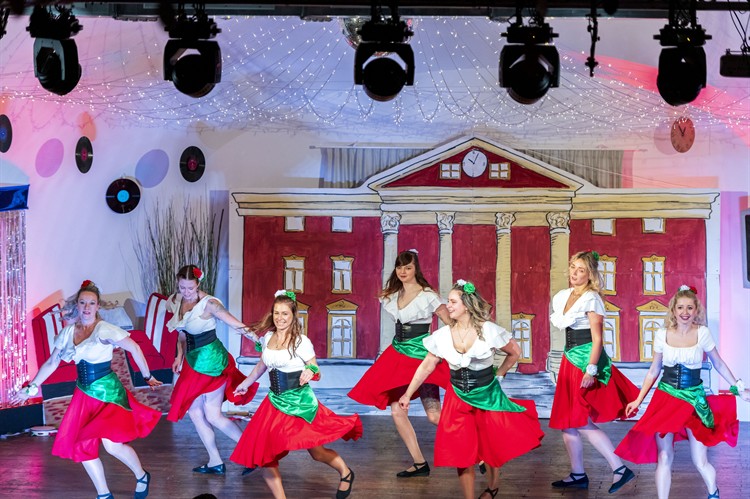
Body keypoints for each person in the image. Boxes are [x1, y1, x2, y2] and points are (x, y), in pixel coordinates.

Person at [15, 280, 163, 499]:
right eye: (83, 302)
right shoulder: (68, 332)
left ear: (97, 306)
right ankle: (104, 494)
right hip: (84, 395)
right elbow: (52, 362)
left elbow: (134, 347)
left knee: (112, 446)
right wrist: (31, 386)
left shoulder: (104, 329)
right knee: (82, 445)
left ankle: (141, 476)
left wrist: (148, 376)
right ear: (77, 305)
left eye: (91, 303)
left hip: (108, 394)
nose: (86, 307)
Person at [398, 280, 544, 499]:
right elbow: (426, 366)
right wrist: (408, 394)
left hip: (487, 395)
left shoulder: (488, 330)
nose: (448, 306)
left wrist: (500, 374)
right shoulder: (443, 335)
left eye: (453, 302)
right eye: (448, 302)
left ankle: (492, 488)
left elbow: (514, 352)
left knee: (489, 447)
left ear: (466, 305)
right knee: (462, 453)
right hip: (458, 398)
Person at [615, 285, 749, 499]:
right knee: (664, 456)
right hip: (666, 399)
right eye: (680, 307)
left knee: (700, 460)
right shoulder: (662, 334)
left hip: (694, 400)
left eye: (689, 307)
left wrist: (738, 387)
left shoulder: (702, 333)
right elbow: (654, 370)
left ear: (696, 310)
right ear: (673, 310)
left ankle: (713, 493)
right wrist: (638, 400)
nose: (684, 312)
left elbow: (718, 363)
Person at [230, 290, 362, 499]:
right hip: (274, 402)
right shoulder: (268, 338)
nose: (280, 318)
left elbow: (316, 369)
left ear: (293, 316)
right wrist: (245, 384)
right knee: (265, 456)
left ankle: (346, 473)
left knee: (317, 453)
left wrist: (310, 371)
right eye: (276, 313)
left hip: (299, 403)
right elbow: (262, 365)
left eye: (285, 314)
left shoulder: (301, 341)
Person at [348, 249, 451, 478]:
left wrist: (448, 347)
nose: (403, 271)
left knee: (434, 416)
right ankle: (419, 463)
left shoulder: (428, 295)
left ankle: (479, 450)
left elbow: (451, 323)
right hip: (398, 355)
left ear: (416, 269)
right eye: (399, 267)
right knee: (397, 410)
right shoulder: (393, 295)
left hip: (421, 357)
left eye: (408, 267)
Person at [548, 250, 639, 494]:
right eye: (573, 267)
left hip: (584, 361)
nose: (575, 273)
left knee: (580, 420)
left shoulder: (591, 298)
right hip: (570, 359)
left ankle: (619, 468)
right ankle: (578, 473)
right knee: (567, 422)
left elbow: (597, 339)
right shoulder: (565, 296)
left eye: (581, 270)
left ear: (590, 274)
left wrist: (590, 370)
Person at [166, 264, 260, 474]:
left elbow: (236, 324)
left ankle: (253, 453)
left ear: (198, 284)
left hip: (210, 362)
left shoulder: (210, 304)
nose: (186, 292)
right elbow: (182, 332)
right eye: (182, 287)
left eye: (191, 288)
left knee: (213, 415)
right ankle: (215, 461)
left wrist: (257, 339)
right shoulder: (177, 300)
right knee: (195, 412)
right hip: (192, 361)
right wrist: (179, 355)